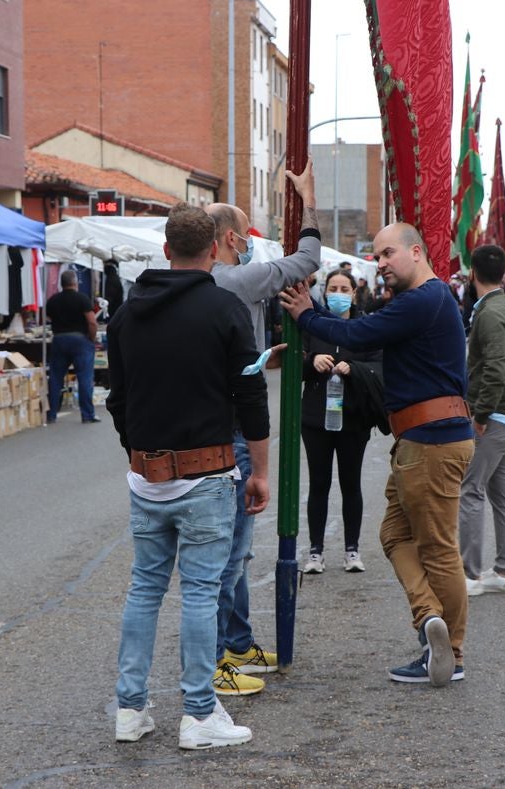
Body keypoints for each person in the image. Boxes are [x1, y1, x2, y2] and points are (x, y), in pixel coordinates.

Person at [106, 201, 271, 750]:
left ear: (166, 249)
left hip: (146, 475)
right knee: (200, 592)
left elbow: (118, 398)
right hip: (207, 472)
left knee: (145, 588)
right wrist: (261, 472)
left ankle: (130, 709)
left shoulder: (128, 312)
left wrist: (140, 450)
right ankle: (199, 714)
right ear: (215, 249)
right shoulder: (224, 309)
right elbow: (251, 395)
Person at [280, 222, 474, 688]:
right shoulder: (427, 299)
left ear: (417, 252)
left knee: (439, 547)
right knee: (393, 534)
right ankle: (432, 621)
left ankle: (452, 653)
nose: (381, 263)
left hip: (431, 441)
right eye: (376, 256)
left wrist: (307, 315)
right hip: (422, 439)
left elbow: (362, 335)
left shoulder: (423, 299)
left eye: (388, 254)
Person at [205, 159, 321, 696]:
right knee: (228, 557)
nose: (253, 240)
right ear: (231, 238)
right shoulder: (238, 279)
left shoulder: (201, 282)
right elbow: (307, 259)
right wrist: (308, 201)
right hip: (233, 429)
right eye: (248, 232)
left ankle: (237, 642)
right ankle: (214, 669)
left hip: (204, 426)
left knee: (235, 552)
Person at [300, 269, 383, 575]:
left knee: (351, 484)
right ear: (325, 291)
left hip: (353, 418)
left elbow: (379, 365)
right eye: (332, 287)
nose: (337, 292)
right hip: (315, 418)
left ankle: (352, 549)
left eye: (343, 288)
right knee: (318, 484)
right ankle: (315, 551)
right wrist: (312, 361)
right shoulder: (314, 325)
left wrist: (354, 368)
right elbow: (294, 362)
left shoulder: (366, 326)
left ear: (353, 293)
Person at [458, 245, 505, 598]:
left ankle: (469, 576)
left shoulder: (489, 313)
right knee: (502, 493)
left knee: (471, 490)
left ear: (472, 273)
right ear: (503, 273)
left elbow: (496, 368)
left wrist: (480, 414)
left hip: (497, 416)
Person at [46, 270, 99, 423]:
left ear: (61, 283)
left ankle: (52, 414)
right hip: (80, 340)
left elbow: (49, 317)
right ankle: (87, 414)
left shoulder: (53, 300)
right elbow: (92, 321)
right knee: (84, 378)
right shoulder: (82, 299)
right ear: (75, 283)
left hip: (59, 339)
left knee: (55, 378)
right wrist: (91, 338)